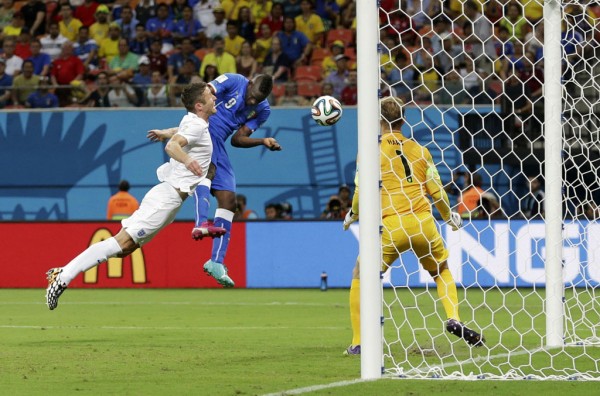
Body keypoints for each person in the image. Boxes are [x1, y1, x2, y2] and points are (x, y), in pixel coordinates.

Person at [45, 81, 220, 310]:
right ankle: (63, 276)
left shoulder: (194, 121)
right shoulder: (197, 126)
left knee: (125, 249)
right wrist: (188, 160)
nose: (215, 98)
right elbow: (172, 147)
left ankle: (63, 272)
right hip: (165, 198)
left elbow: (179, 132)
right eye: (210, 96)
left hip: (170, 200)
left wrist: (164, 132)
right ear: (199, 105)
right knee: (122, 242)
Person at [341, 96, 484, 355]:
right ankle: (453, 317)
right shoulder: (421, 150)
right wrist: (449, 216)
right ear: (403, 120)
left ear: (379, 120)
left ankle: (359, 342)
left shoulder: (370, 149)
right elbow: (437, 191)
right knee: (441, 271)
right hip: (423, 224)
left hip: (390, 226)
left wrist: (352, 213)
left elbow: (361, 190)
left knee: (361, 275)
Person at [147, 73, 280, 287]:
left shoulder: (263, 110)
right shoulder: (234, 80)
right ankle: (199, 223)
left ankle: (216, 261)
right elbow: (200, 98)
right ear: (250, 83)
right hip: (203, 136)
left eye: (259, 99)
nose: (252, 102)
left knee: (229, 201)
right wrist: (176, 130)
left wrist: (262, 141)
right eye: (253, 96)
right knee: (201, 175)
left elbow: (237, 140)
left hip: (220, 144)